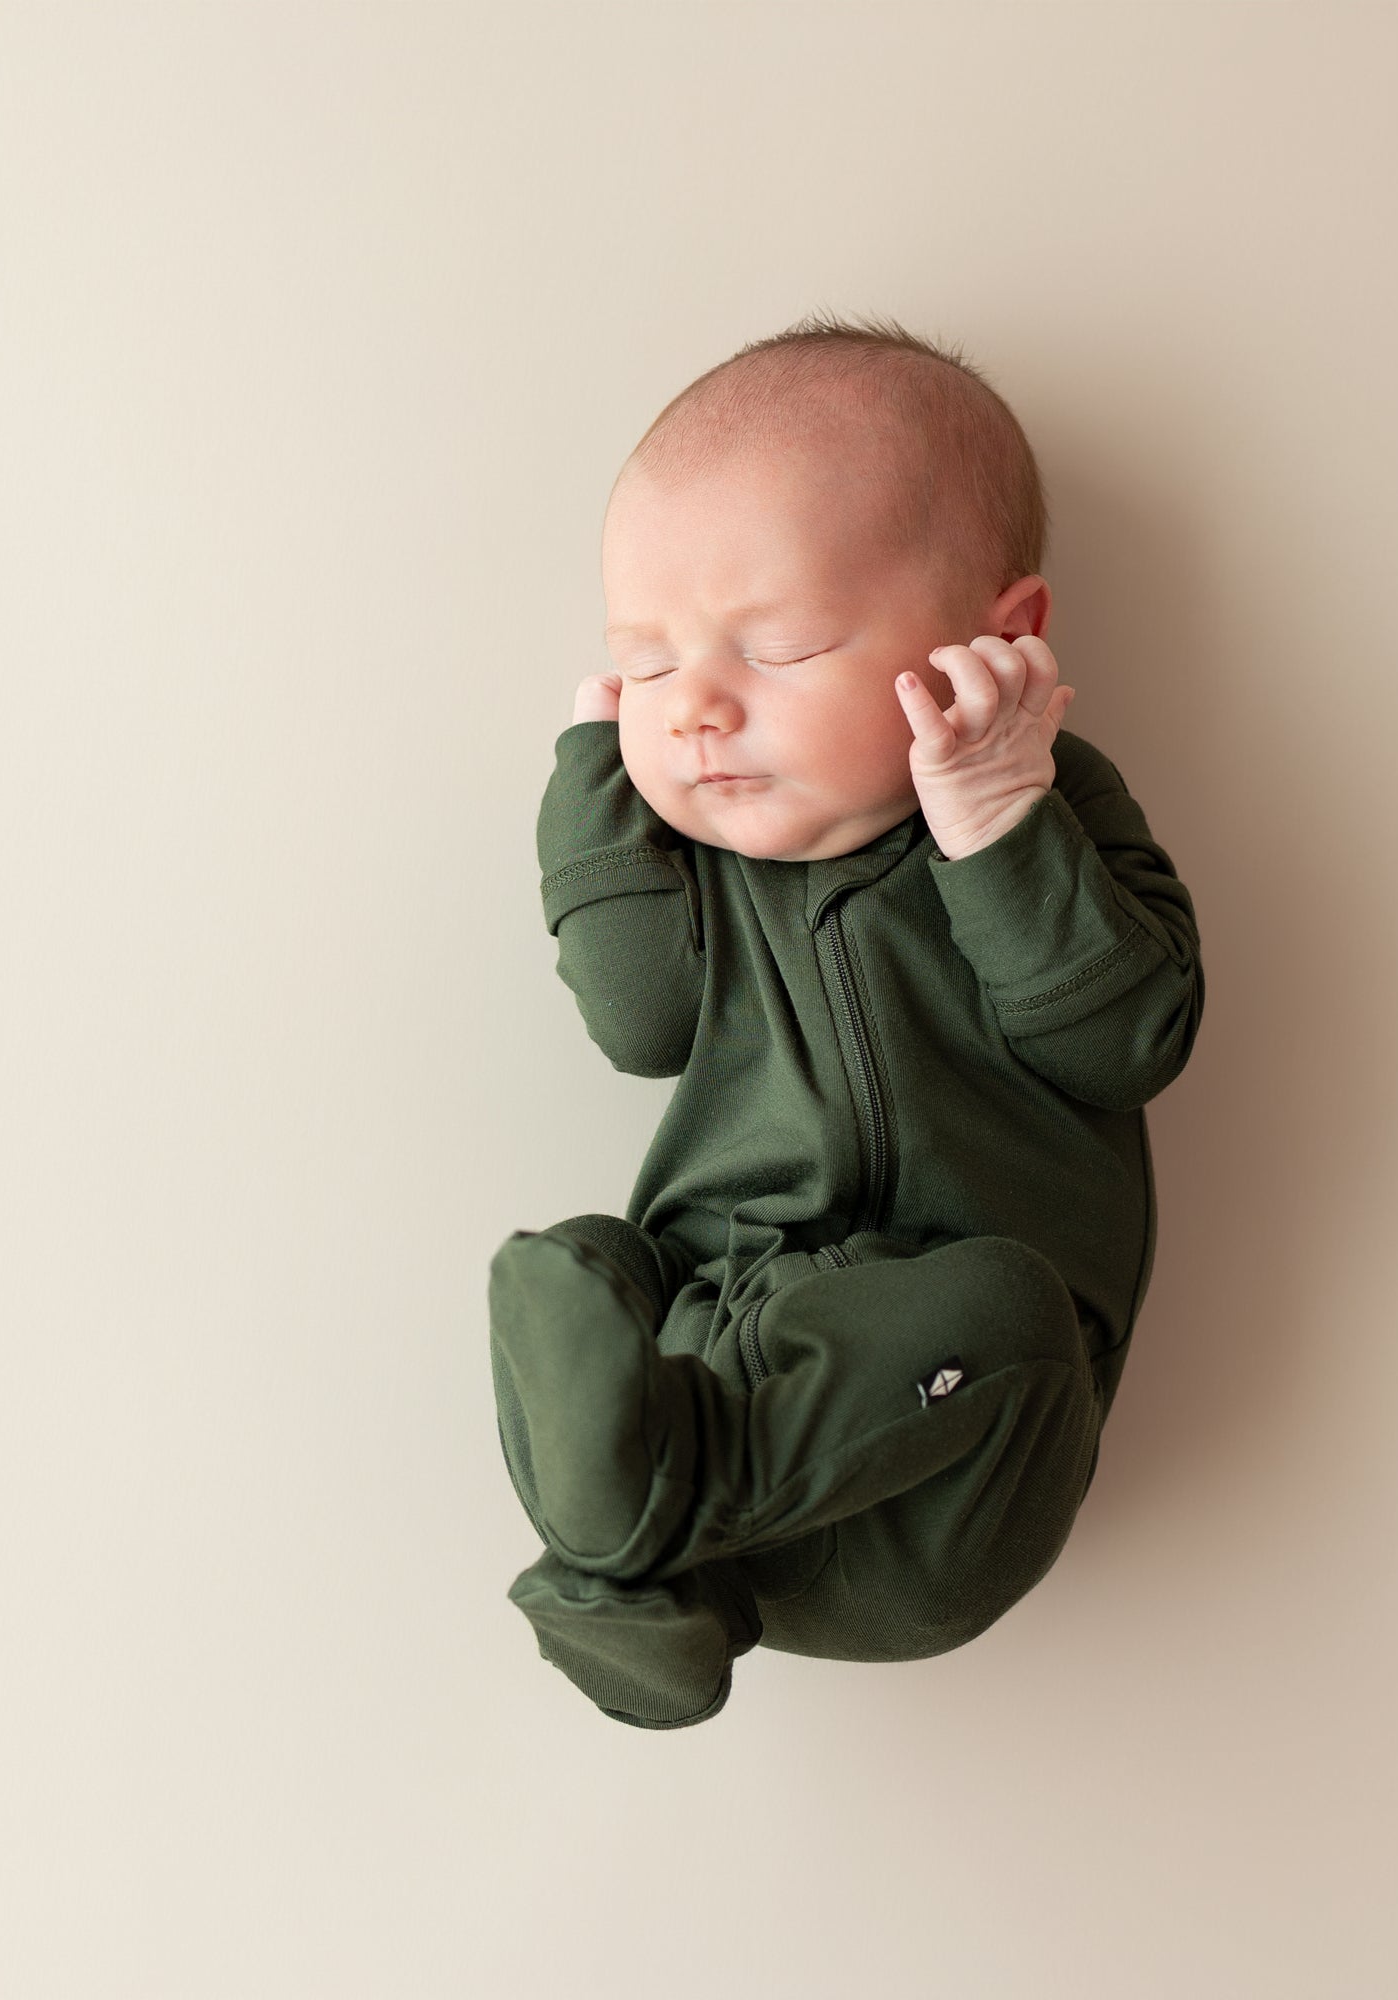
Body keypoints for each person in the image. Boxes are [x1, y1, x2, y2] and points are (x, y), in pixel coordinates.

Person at [488, 311, 1205, 1727]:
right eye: (646, 665)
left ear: (999, 640)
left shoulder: (1045, 809)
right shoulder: (698, 859)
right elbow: (639, 1024)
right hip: (721, 1350)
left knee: (1004, 1309)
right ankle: (643, 1569)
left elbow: (1129, 1042)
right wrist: (598, 799)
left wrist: (998, 825)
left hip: (949, 1458)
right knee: (592, 1268)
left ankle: (658, 1510)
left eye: (783, 645)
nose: (695, 710)